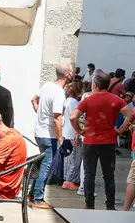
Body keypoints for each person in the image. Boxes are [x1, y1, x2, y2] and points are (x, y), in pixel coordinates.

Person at [70, 71, 134, 210]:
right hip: (109, 142)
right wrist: (120, 130)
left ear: (95, 84)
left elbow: (73, 117)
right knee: (109, 175)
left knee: (89, 174)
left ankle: (89, 204)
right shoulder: (116, 100)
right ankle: (110, 205)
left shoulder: (88, 100)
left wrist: (79, 131)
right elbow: (130, 115)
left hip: (90, 141)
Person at [30, 60, 73, 210]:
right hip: (49, 135)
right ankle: (37, 198)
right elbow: (57, 118)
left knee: (41, 164)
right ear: (67, 75)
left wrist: (39, 113)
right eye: (72, 71)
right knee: (45, 167)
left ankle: (32, 193)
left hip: (39, 132)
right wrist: (60, 137)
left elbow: (33, 99)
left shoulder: (47, 86)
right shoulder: (59, 93)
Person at [61, 82, 83, 191]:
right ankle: (70, 180)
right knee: (75, 159)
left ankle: (66, 178)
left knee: (68, 158)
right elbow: (75, 118)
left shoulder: (67, 101)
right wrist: (78, 133)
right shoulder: (74, 102)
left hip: (66, 132)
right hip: (72, 132)